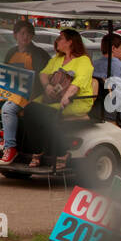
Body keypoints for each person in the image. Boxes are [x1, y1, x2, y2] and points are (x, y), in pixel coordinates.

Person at [0, 19, 52, 166]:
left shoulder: (39, 54)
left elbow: (42, 78)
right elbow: (3, 75)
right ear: (15, 35)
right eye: (22, 33)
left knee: (8, 109)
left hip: (28, 95)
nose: (25, 37)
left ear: (32, 36)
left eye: (28, 33)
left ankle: (10, 147)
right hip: (8, 93)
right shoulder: (11, 52)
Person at [30, 29, 95, 170]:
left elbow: (77, 83)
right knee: (30, 109)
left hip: (77, 101)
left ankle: (61, 152)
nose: (57, 41)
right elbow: (43, 74)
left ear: (70, 42)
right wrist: (47, 86)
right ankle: (36, 147)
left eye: (60, 38)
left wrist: (66, 97)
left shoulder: (83, 61)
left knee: (48, 112)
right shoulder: (57, 59)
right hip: (53, 98)